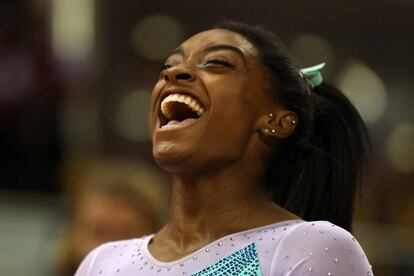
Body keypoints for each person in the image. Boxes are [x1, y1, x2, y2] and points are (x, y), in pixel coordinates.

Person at [75, 22, 373, 275]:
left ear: (277, 121)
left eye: (217, 64)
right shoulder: (102, 263)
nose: (174, 73)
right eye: (168, 66)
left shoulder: (307, 248)